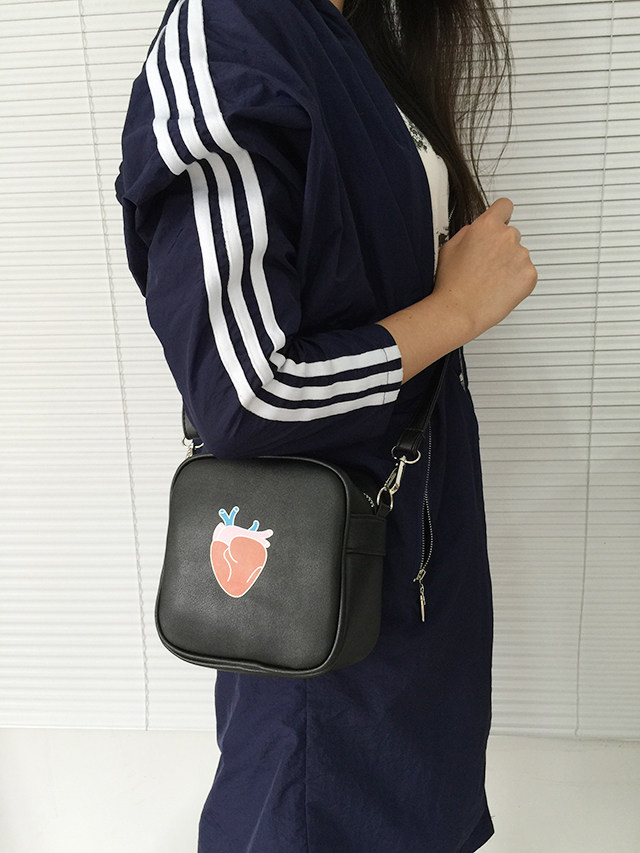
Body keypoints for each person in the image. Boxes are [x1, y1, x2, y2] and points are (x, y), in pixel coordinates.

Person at [115, 0, 537, 849]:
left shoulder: (352, 35)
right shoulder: (228, 37)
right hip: (319, 603)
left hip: (416, 576)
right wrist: (455, 310)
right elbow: (246, 393)